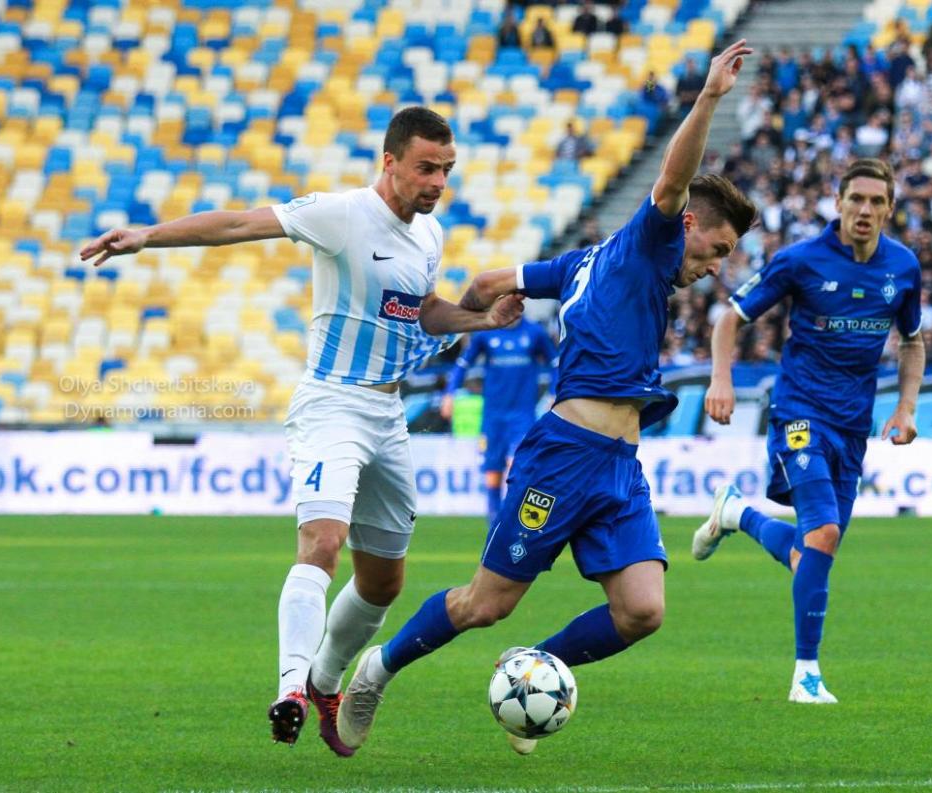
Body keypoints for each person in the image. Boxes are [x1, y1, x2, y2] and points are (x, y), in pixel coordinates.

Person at [330, 39, 756, 757]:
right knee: (484, 604)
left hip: (619, 466)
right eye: (717, 250)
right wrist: (709, 97)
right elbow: (672, 181)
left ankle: (534, 667)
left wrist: (470, 316)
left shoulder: (590, 259)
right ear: (687, 224)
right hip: (564, 456)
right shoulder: (651, 240)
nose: (716, 267)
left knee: (642, 610)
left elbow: (491, 280)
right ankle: (377, 669)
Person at [79, 107, 524, 754]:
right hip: (331, 404)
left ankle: (324, 679)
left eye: (446, 170)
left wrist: (483, 321)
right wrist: (148, 235)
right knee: (322, 541)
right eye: (426, 168)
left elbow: (422, 310)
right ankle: (290, 686)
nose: (438, 182)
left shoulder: (429, 235)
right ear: (390, 161)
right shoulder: (341, 214)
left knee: (384, 583)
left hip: (388, 413)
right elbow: (240, 223)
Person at [691, 158, 924, 705]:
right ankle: (806, 675)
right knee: (823, 534)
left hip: (852, 426)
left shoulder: (903, 267)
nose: (864, 209)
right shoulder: (801, 260)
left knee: (810, 553)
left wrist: (906, 408)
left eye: (876, 201)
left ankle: (737, 513)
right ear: (837, 204)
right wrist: (721, 379)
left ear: (889, 209)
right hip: (799, 413)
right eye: (855, 199)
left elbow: (912, 341)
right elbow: (730, 317)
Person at [439, 318, 559, 526]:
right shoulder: (486, 334)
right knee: (493, 474)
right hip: (493, 417)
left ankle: (515, 524)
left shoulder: (534, 332)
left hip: (522, 416)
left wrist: (554, 392)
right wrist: (449, 394)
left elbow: (556, 364)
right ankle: (494, 526)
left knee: (517, 468)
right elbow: (462, 364)